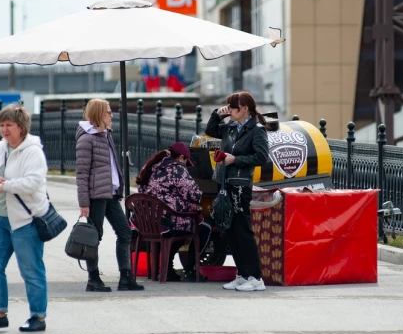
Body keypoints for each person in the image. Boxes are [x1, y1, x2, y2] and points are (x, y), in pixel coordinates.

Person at [0, 104, 49, 332]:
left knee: (31, 270)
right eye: (2, 125)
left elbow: (32, 182)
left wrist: (3, 186)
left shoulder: (33, 151)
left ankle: (38, 317)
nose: (4, 129)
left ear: (21, 127)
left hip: (26, 221)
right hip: (0, 220)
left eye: (9, 125)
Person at [75, 98, 144, 292]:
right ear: (98, 114)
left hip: (111, 194)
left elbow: (112, 167)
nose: (111, 115)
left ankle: (125, 277)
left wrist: (119, 188)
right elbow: (82, 173)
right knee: (94, 237)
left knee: (125, 232)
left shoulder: (105, 134)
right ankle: (93, 279)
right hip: (96, 195)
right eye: (107, 112)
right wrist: (84, 202)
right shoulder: (87, 138)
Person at [205, 91, 269, 292]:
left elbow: (261, 157)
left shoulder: (256, 130)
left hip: (241, 184)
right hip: (225, 182)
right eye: (229, 106)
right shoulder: (229, 127)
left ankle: (256, 277)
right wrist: (217, 114)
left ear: (244, 109)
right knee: (229, 229)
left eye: (233, 107)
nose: (230, 110)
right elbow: (210, 130)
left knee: (243, 229)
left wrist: (236, 160)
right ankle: (242, 274)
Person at [135, 142, 207, 282]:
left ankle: (166, 268)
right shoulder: (177, 169)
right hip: (166, 222)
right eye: (186, 161)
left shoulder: (151, 166)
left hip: (147, 222)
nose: (186, 165)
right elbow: (194, 194)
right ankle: (191, 270)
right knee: (205, 227)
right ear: (181, 158)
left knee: (176, 228)